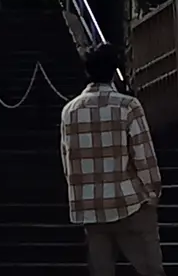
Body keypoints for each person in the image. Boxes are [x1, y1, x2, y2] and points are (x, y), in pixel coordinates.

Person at [60, 42, 164, 275]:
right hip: (130, 203)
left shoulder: (69, 111)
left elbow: (68, 161)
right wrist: (153, 192)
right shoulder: (128, 106)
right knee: (150, 269)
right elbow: (145, 157)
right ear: (115, 70)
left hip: (90, 208)